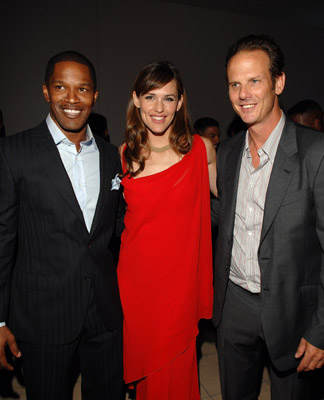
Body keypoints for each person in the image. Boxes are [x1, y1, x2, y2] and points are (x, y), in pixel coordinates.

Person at [0, 50, 124, 400]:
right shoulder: (14, 152)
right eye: (61, 87)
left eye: (82, 89)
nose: (72, 99)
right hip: (44, 316)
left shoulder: (111, 155)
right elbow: (3, 239)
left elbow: (116, 230)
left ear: (95, 95)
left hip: (104, 312)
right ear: (45, 91)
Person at [213, 33, 324, 400]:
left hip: (295, 312)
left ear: (278, 82)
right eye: (235, 83)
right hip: (235, 306)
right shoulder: (226, 154)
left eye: (254, 80)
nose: (243, 93)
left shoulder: (315, 154)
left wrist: (321, 330)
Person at [117, 60, 217, 400]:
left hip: (179, 285)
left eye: (169, 98)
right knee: (148, 370)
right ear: (136, 100)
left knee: (174, 364)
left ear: (181, 101)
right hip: (138, 286)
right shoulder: (123, 156)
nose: (159, 108)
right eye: (150, 97)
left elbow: (232, 200)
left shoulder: (201, 150)